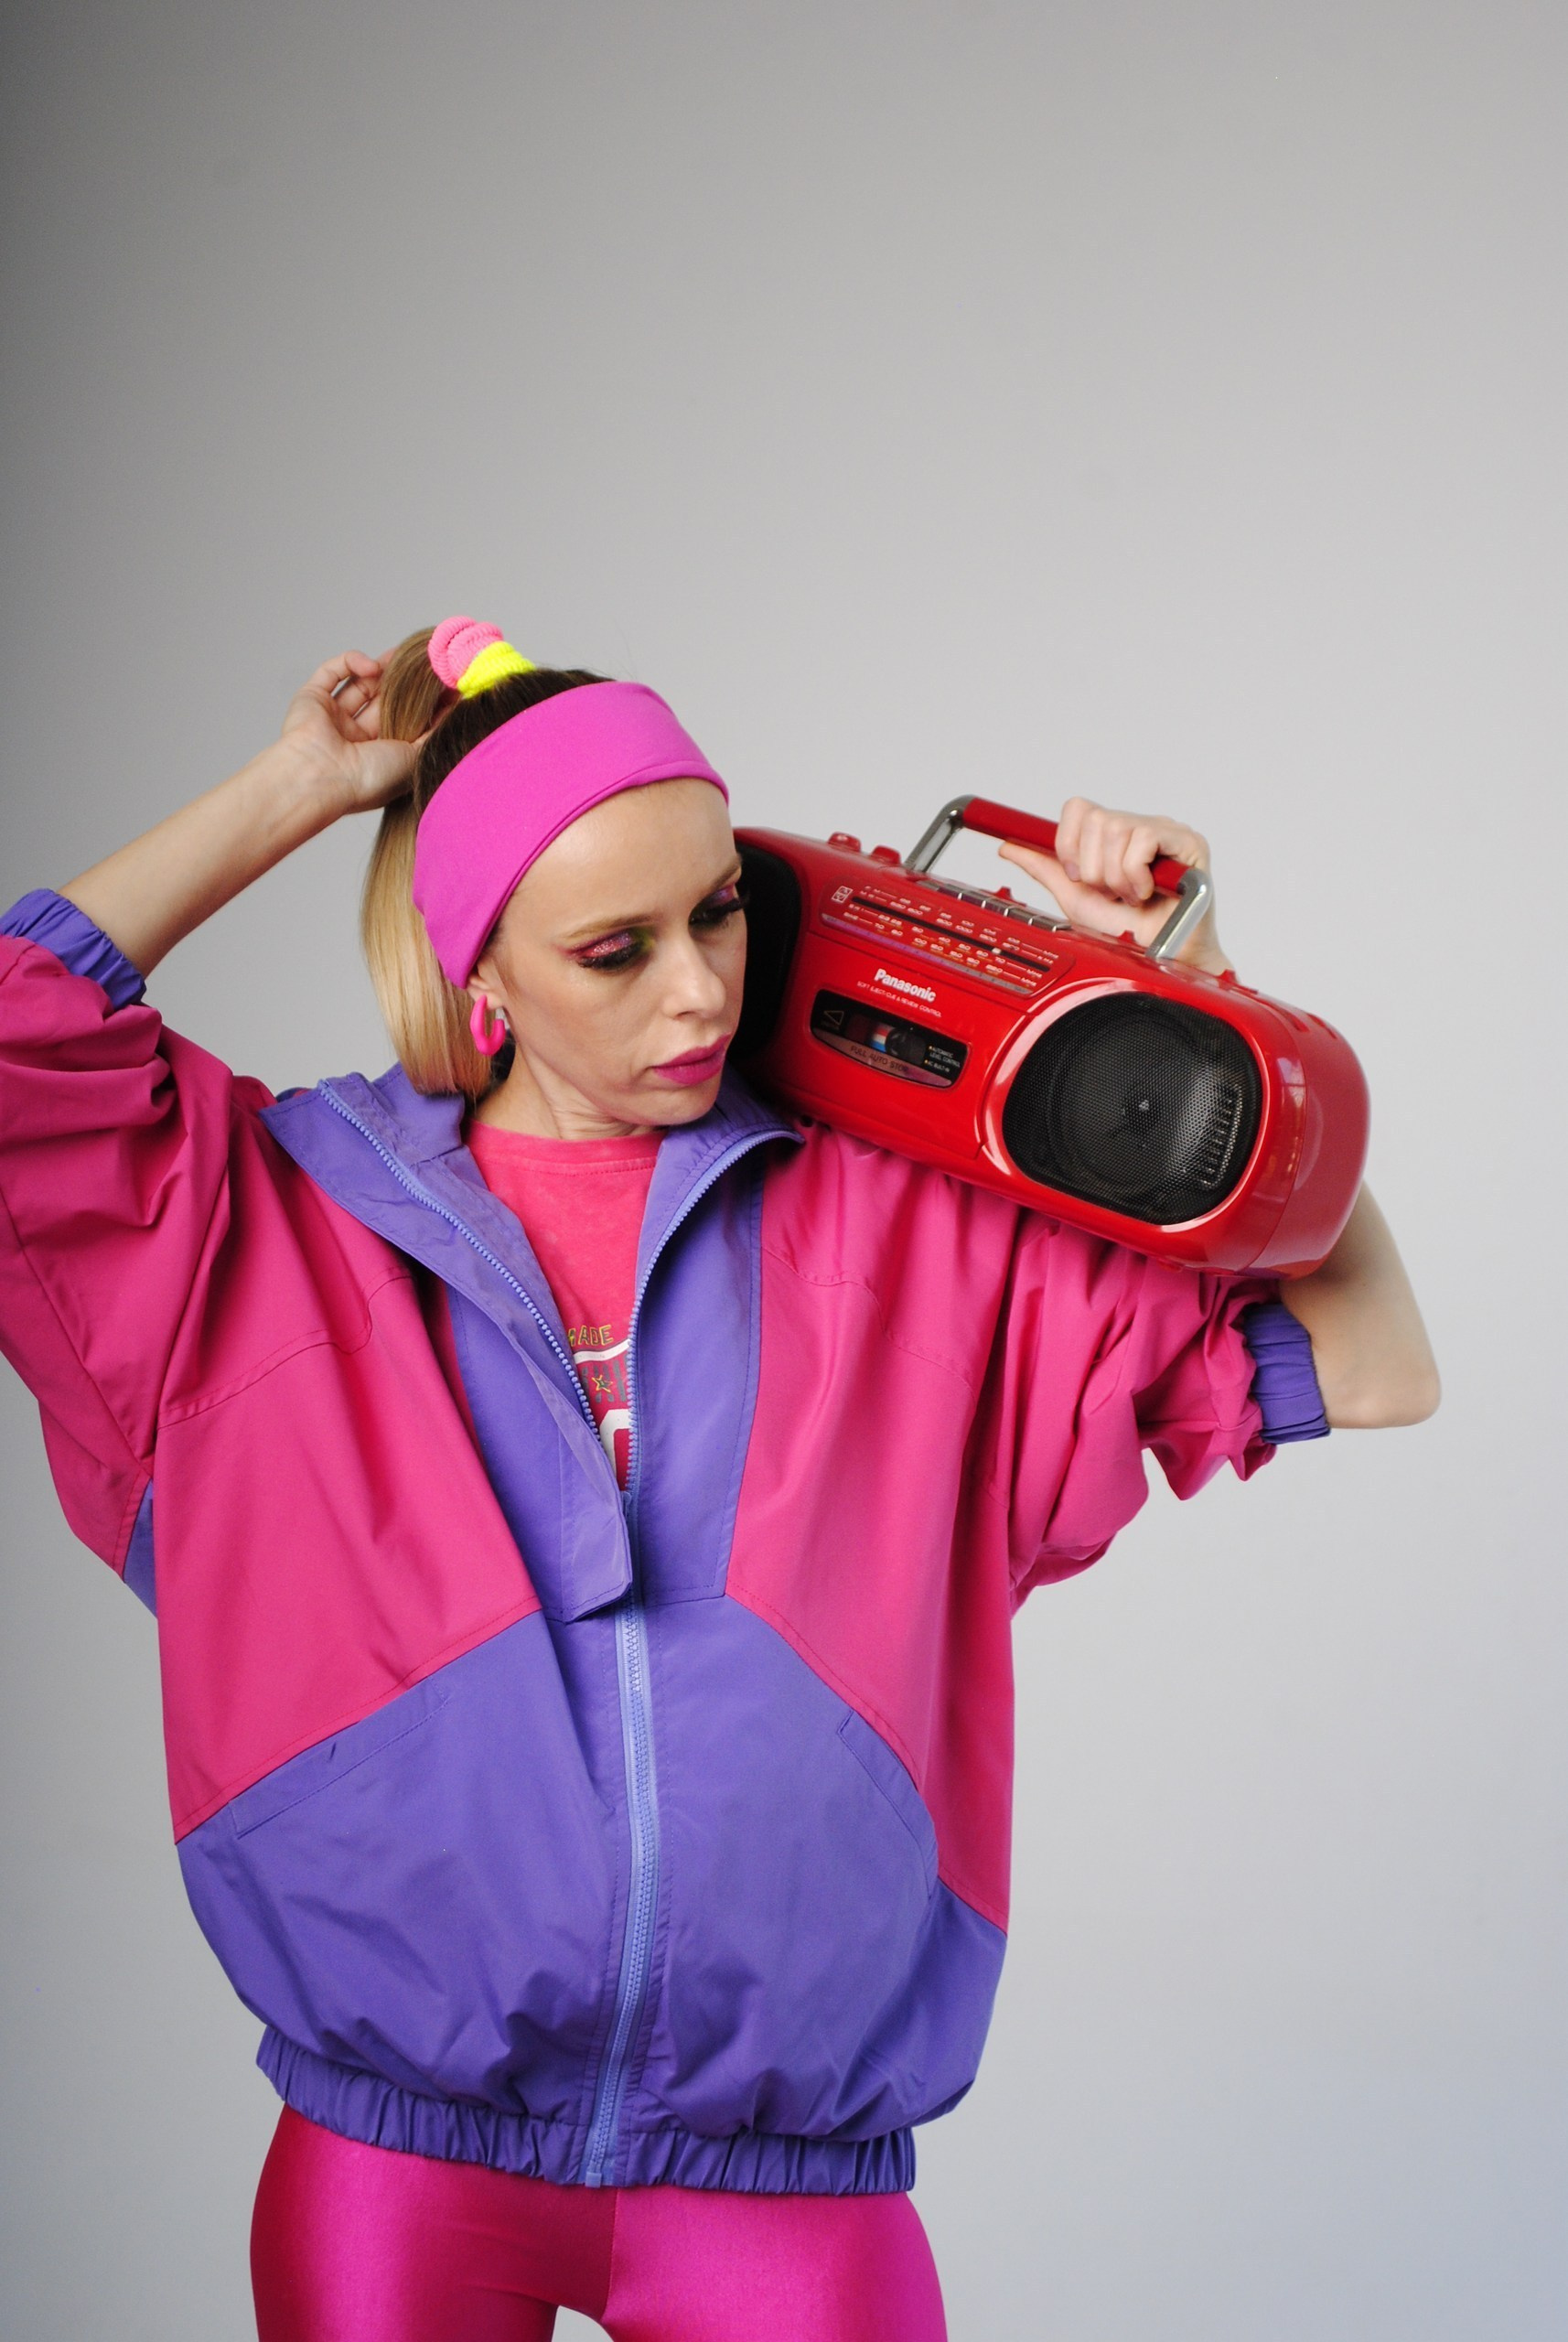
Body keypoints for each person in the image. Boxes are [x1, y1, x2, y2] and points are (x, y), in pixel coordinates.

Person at [0, 618, 1439, 2341]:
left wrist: (1191, 1004)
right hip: (395, 2160)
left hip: (782, 2180)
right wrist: (305, 785)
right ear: (478, 968)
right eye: (613, 951)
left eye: (719, 912)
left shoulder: (911, 1227)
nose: (696, 992)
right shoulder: (276, 1233)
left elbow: (1370, 1362)